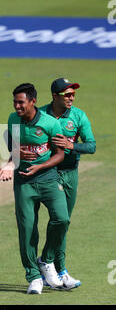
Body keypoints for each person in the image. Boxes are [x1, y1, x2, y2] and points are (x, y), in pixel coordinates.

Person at [0, 83, 70, 295]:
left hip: (48, 179)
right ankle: (33, 277)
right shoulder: (13, 120)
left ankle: (46, 260)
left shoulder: (50, 123)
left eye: (21, 102)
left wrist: (40, 166)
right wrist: (12, 161)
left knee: (62, 219)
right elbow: (12, 145)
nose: (17, 106)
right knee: (27, 229)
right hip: (23, 182)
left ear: (33, 101)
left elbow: (60, 154)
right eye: (15, 102)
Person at [39, 78, 96, 289]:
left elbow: (91, 146)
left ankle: (53, 266)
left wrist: (70, 145)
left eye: (73, 94)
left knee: (63, 223)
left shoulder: (79, 115)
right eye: (67, 94)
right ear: (55, 96)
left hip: (70, 173)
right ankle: (53, 267)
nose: (71, 97)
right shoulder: (40, 115)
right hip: (48, 174)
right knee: (60, 219)